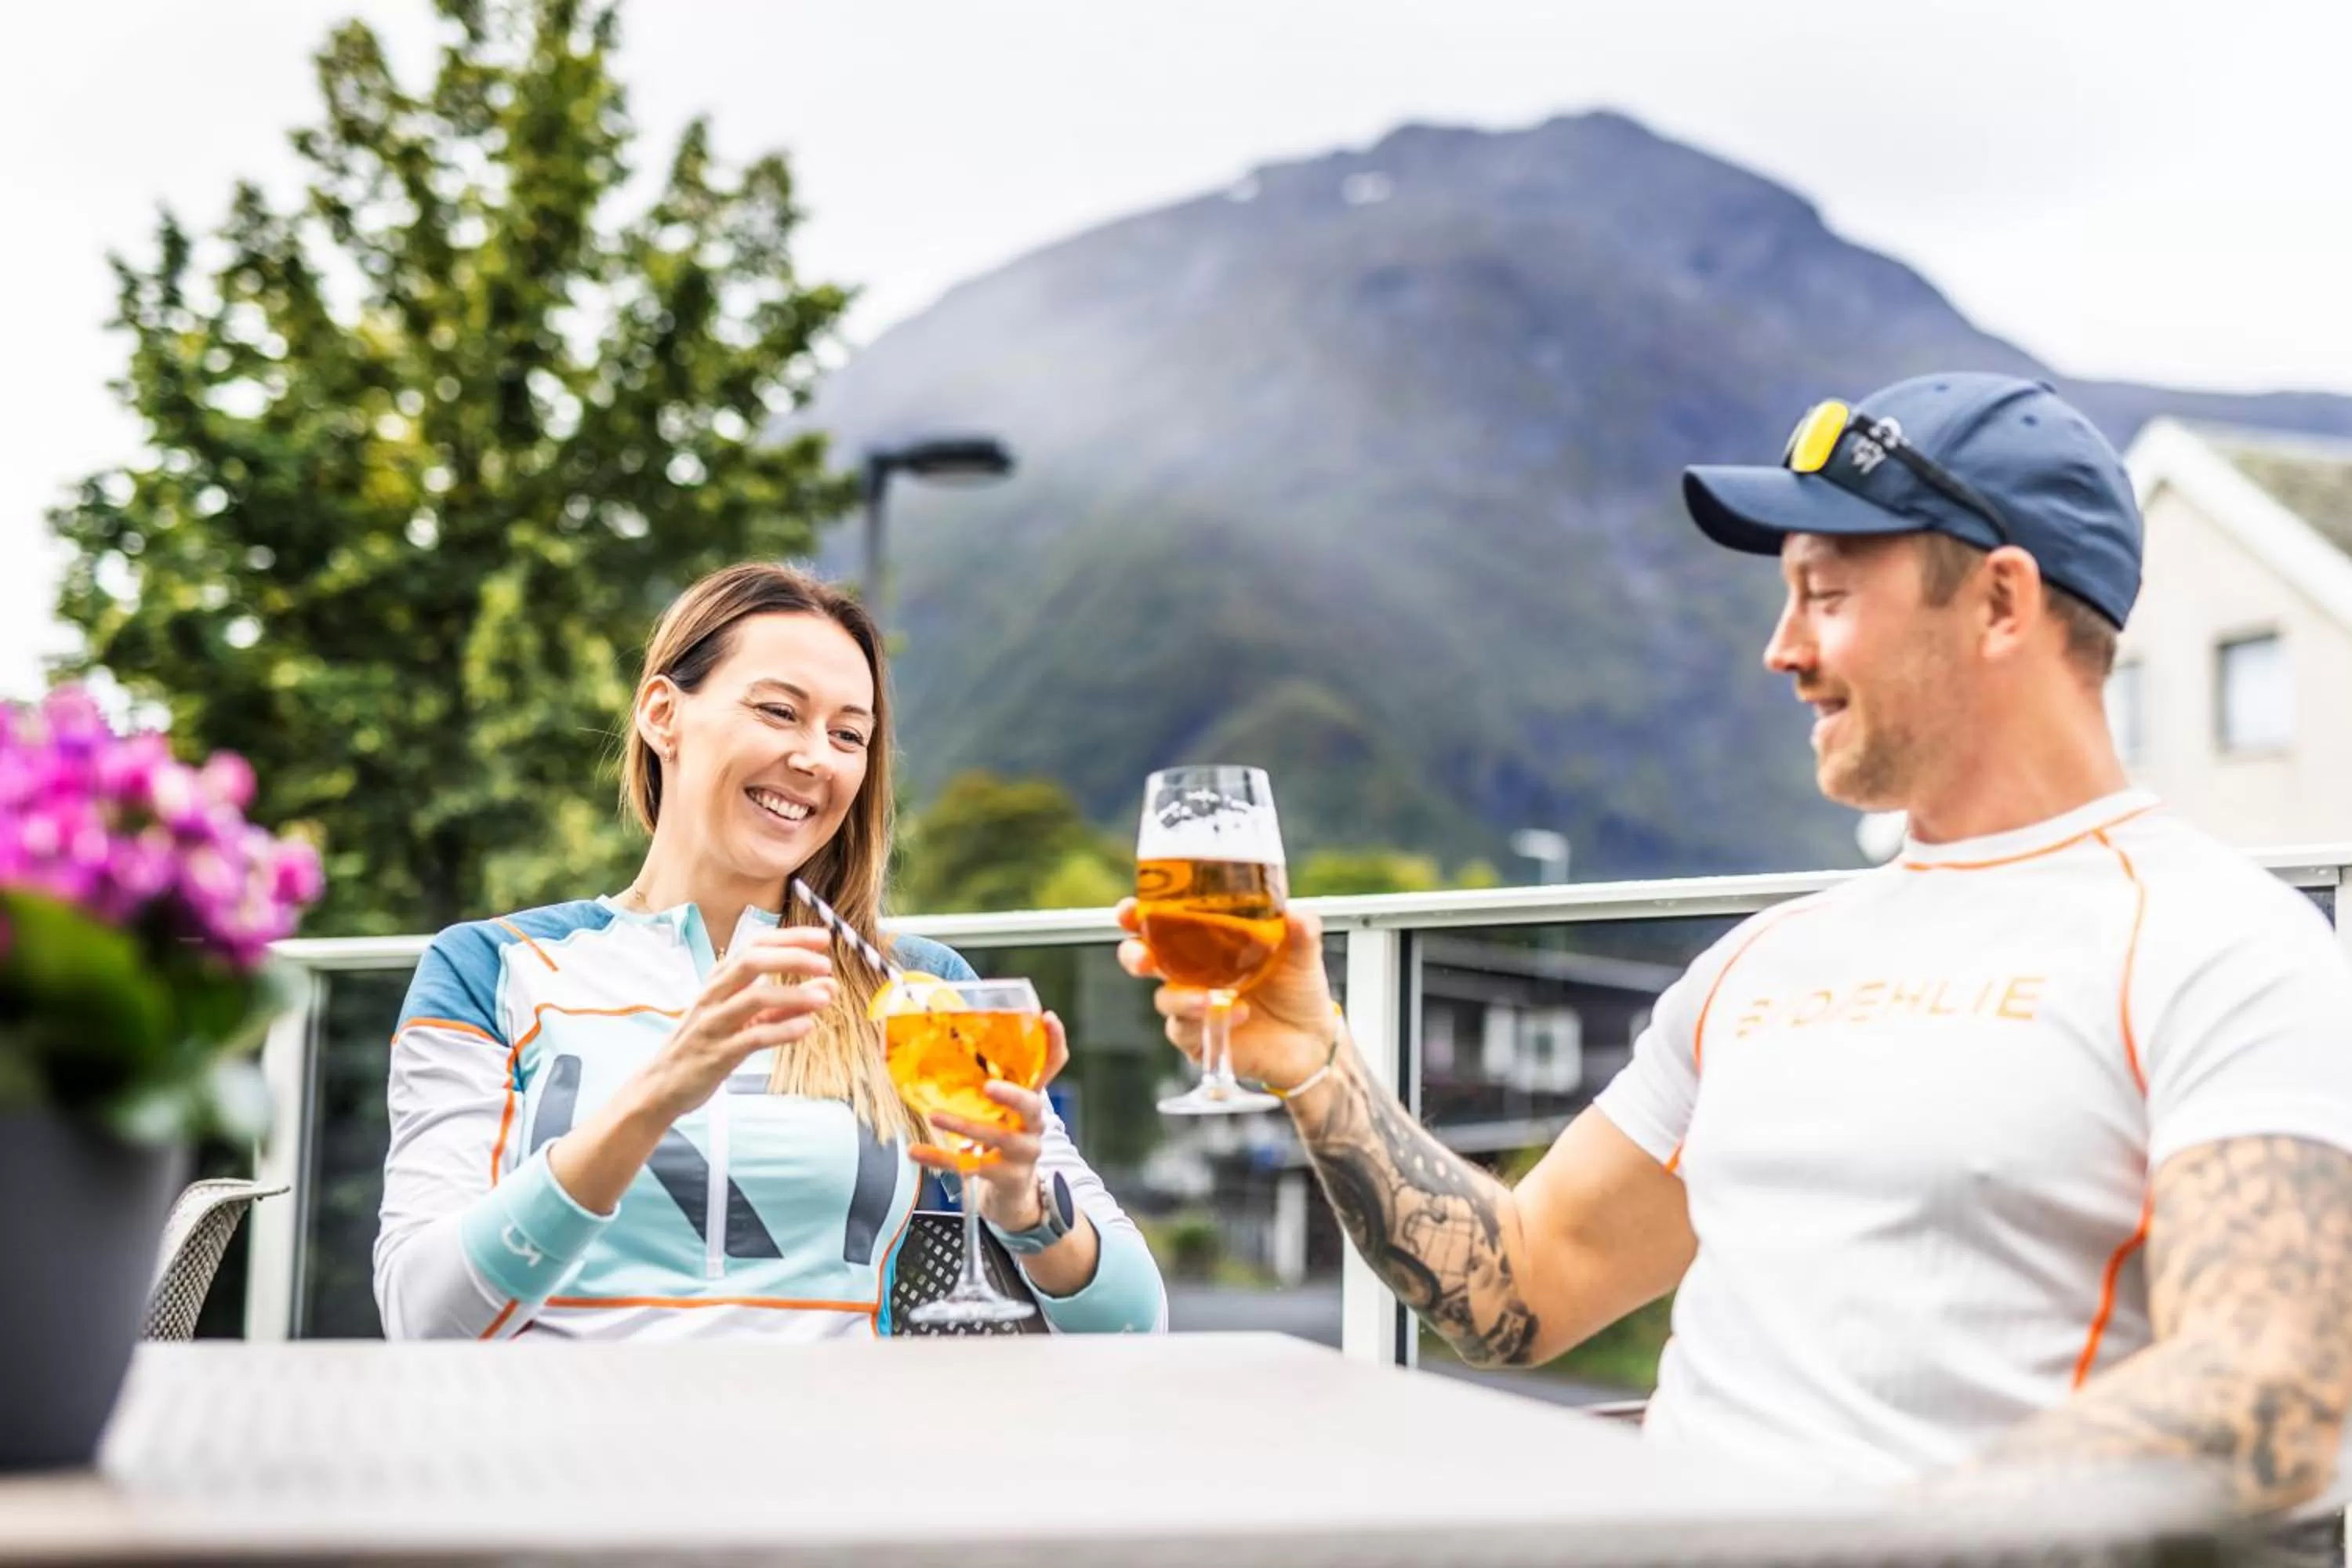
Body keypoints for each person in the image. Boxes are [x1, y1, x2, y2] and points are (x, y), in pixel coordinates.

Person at [1120, 374, 2352, 1515]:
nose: (1783, 648)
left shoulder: (2222, 951)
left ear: (2000, 603)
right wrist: (1317, 1062)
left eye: (1827, 595)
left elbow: (2269, 1395)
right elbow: (1522, 1290)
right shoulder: (1760, 966)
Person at [377, 562, 1165, 1339]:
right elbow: (423, 1315)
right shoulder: (488, 968)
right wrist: (655, 1097)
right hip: (565, 1425)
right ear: (662, 714)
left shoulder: (915, 988)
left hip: (837, 1423)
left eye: (848, 734)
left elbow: (1136, 1322)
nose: (817, 757)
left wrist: (1025, 1211)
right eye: (780, 711)